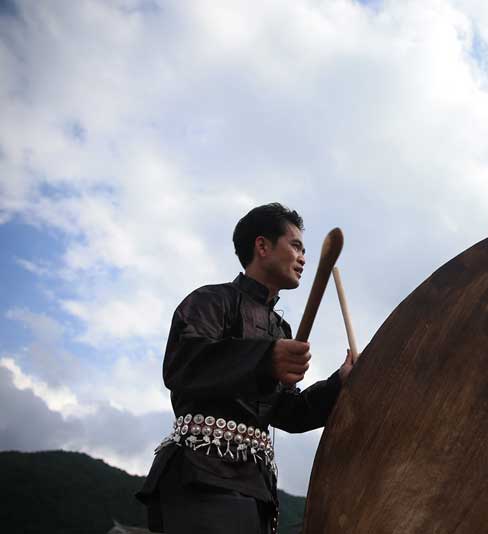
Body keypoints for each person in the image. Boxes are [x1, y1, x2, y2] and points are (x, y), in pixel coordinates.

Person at [136, 203, 353, 534]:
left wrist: (339, 382)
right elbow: (183, 364)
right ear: (262, 246)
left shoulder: (281, 330)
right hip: (202, 475)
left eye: (306, 250)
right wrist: (266, 358)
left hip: (257, 487)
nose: (304, 258)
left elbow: (287, 412)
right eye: (295, 245)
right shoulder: (210, 301)